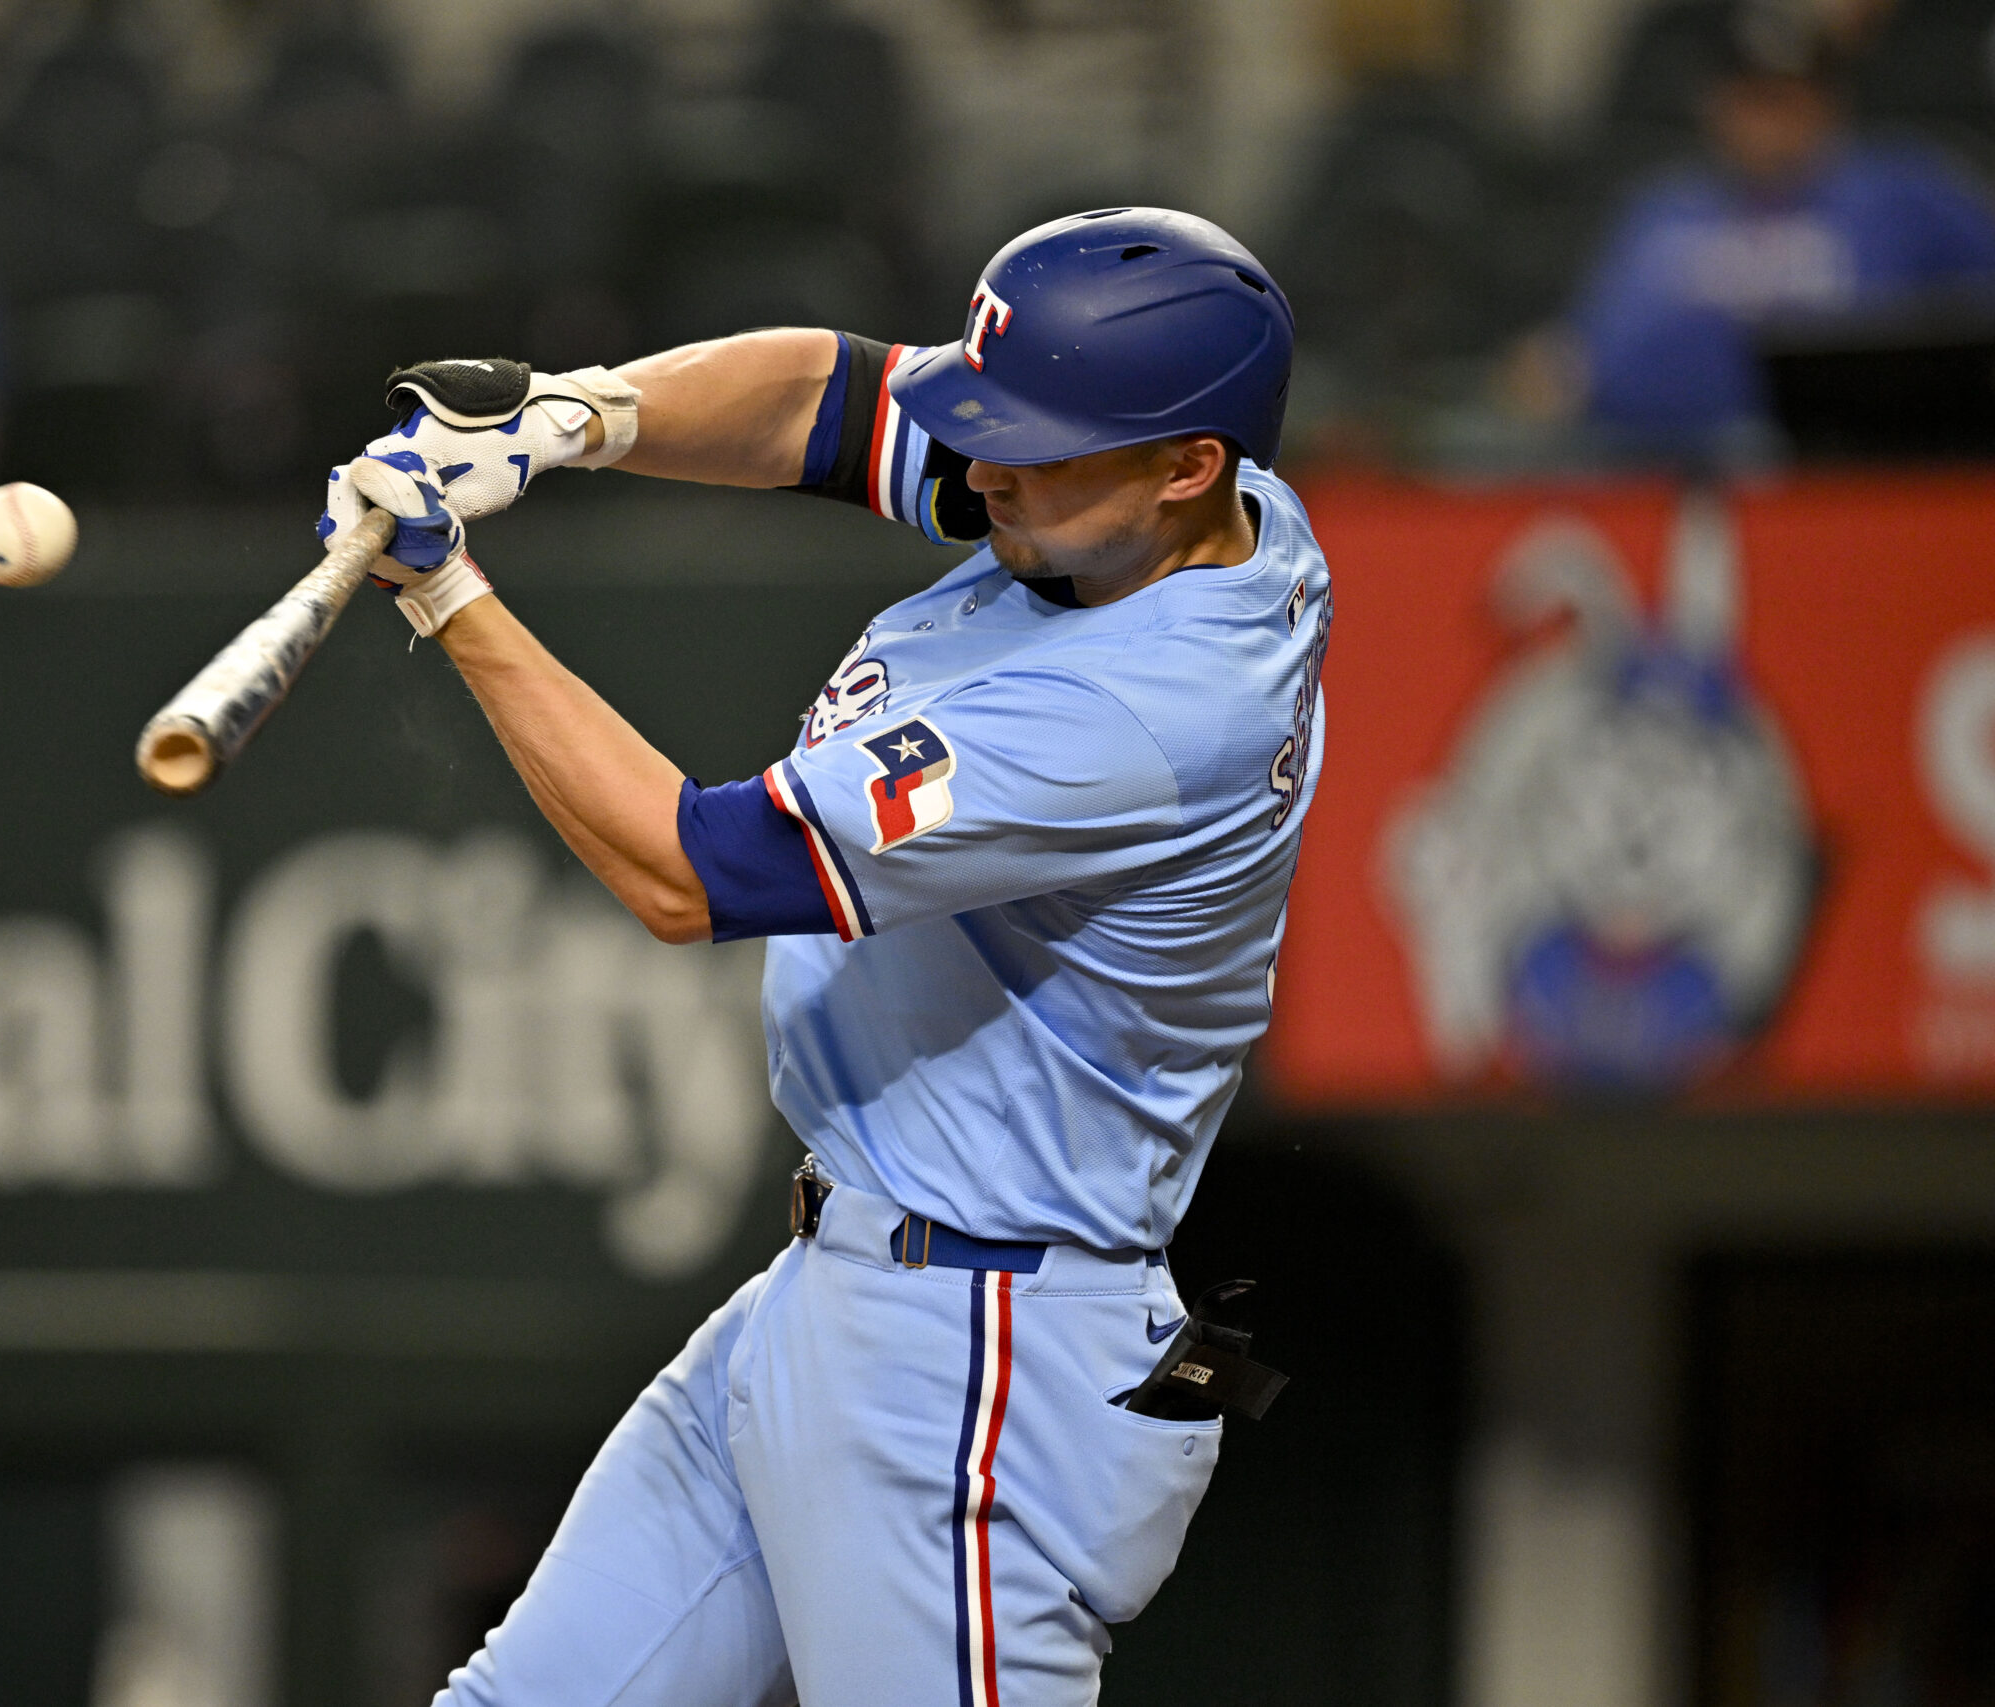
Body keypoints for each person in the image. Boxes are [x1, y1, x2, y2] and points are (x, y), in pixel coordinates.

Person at [313, 206, 1329, 1707]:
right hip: (849, 1284)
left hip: (984, 1353)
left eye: (1030, 443)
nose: (983, 472)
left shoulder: (1151, 706)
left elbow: (690, 867)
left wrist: (448, 591)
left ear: (1186, 465)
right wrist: (566, 419)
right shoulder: (1165, 501)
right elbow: (831, 399)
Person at [1562, 19, 1995, 460]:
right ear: (1716, 108)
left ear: (1830, 106)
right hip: (1682, 466)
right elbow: (1590, 364)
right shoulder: (1662, 212)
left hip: (1870, 466)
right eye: (1753, 102)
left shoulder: (1903, 194)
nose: (1770, 125)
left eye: (1789, 101)